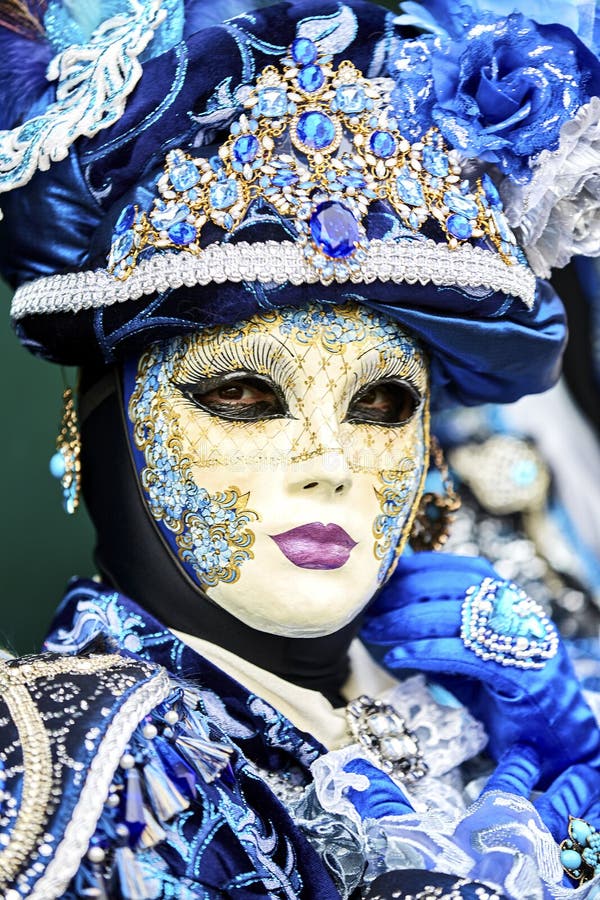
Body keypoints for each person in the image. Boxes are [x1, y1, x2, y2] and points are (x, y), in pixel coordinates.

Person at [0, 1, 599, 897]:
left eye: (383, 403)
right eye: (242, 394)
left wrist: (573, 752)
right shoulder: (81, 750)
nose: (332, 463)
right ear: (98, 432)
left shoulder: (456, 691)